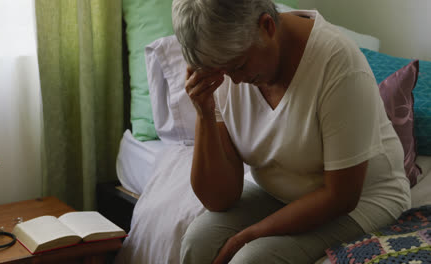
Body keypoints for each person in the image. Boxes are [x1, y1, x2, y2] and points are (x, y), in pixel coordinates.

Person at [171, 0, 411, 263]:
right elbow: (219, 199)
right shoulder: (228, 70)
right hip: (280, 193)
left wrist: (248, 235)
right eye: (222, 71)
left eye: (238, 66)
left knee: (252, 260)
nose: (234, 80)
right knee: (199, 242)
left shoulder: (337, 62)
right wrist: (204, 112)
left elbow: (341, 197)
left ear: (267, 26)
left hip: (362, 198)